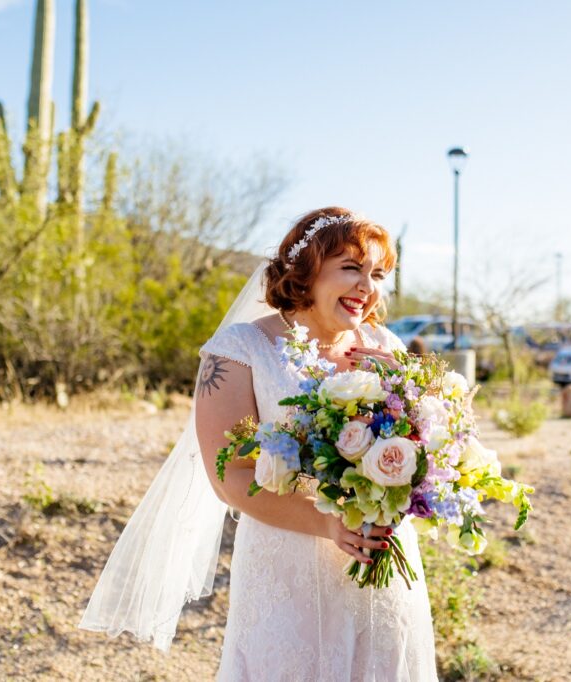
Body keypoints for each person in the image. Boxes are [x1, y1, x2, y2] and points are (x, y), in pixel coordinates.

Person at [79, 208, 437, 681]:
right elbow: (231, 477)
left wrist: (405, 393)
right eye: (350, 268)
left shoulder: (384, 345)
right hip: (289, 565)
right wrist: (327, 523)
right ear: (306, 269)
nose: (366, 288)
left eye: (377, 274)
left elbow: (426, 441)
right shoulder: (240, 350)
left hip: (380, 557)